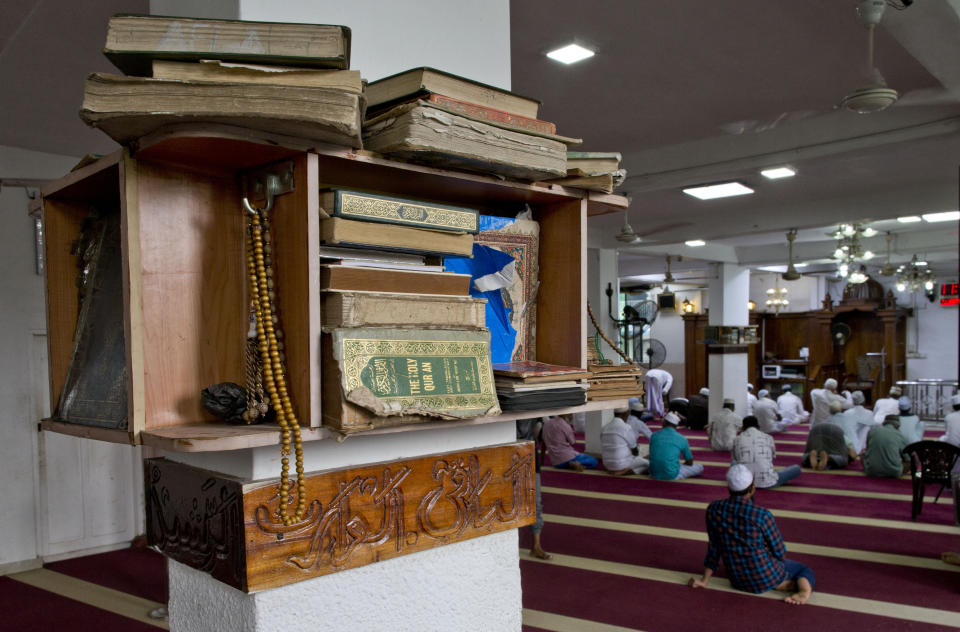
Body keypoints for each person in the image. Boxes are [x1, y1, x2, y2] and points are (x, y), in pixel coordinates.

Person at [688, 464, 815, 605]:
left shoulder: (713, 509)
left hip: (737, 580)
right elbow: (779, 552)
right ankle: (801, 591)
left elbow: (714, 548)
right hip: (764, 575)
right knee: (804, 570)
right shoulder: (762, 515)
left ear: (729, 488)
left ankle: (779, 583)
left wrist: (704, 580)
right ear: (752, 489)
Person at [733, 416, 802, 488]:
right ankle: (777, 478)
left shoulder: (737, 439)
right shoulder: (768, 437)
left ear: (743, 428)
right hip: (768, 482)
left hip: (743, 483)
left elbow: (736, 459)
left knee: (734, 463)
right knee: (796, 468)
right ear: (758, 427)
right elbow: (771, 458)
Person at [516, 418, 551, 559]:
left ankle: (536, 546)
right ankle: (533, 545)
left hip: (528, 453)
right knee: (531, 502)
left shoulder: (534, 405)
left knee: (535, 502)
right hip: (511, 452)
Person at [649, 412, 704, 480]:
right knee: (700, 467)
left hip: (653, 473)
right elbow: (690, 462)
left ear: (664, 423)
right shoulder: (682, 438)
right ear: (676, 426)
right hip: (671, 475)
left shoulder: (654, 435)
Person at [601, 408, 650, 476]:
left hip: (607, 464)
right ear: (624, 414)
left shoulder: (605, 428)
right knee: (648, 463)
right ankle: (625, 472)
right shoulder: (626, 427)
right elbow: (635, 451)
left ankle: (616, 470)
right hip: (622, 464)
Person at [843, 390, 881, 454]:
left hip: (849, 447)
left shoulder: (846, 413)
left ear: (852, 401)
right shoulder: (869, 413)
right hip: (864, 447)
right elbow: (873, 430)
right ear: (864, 401)